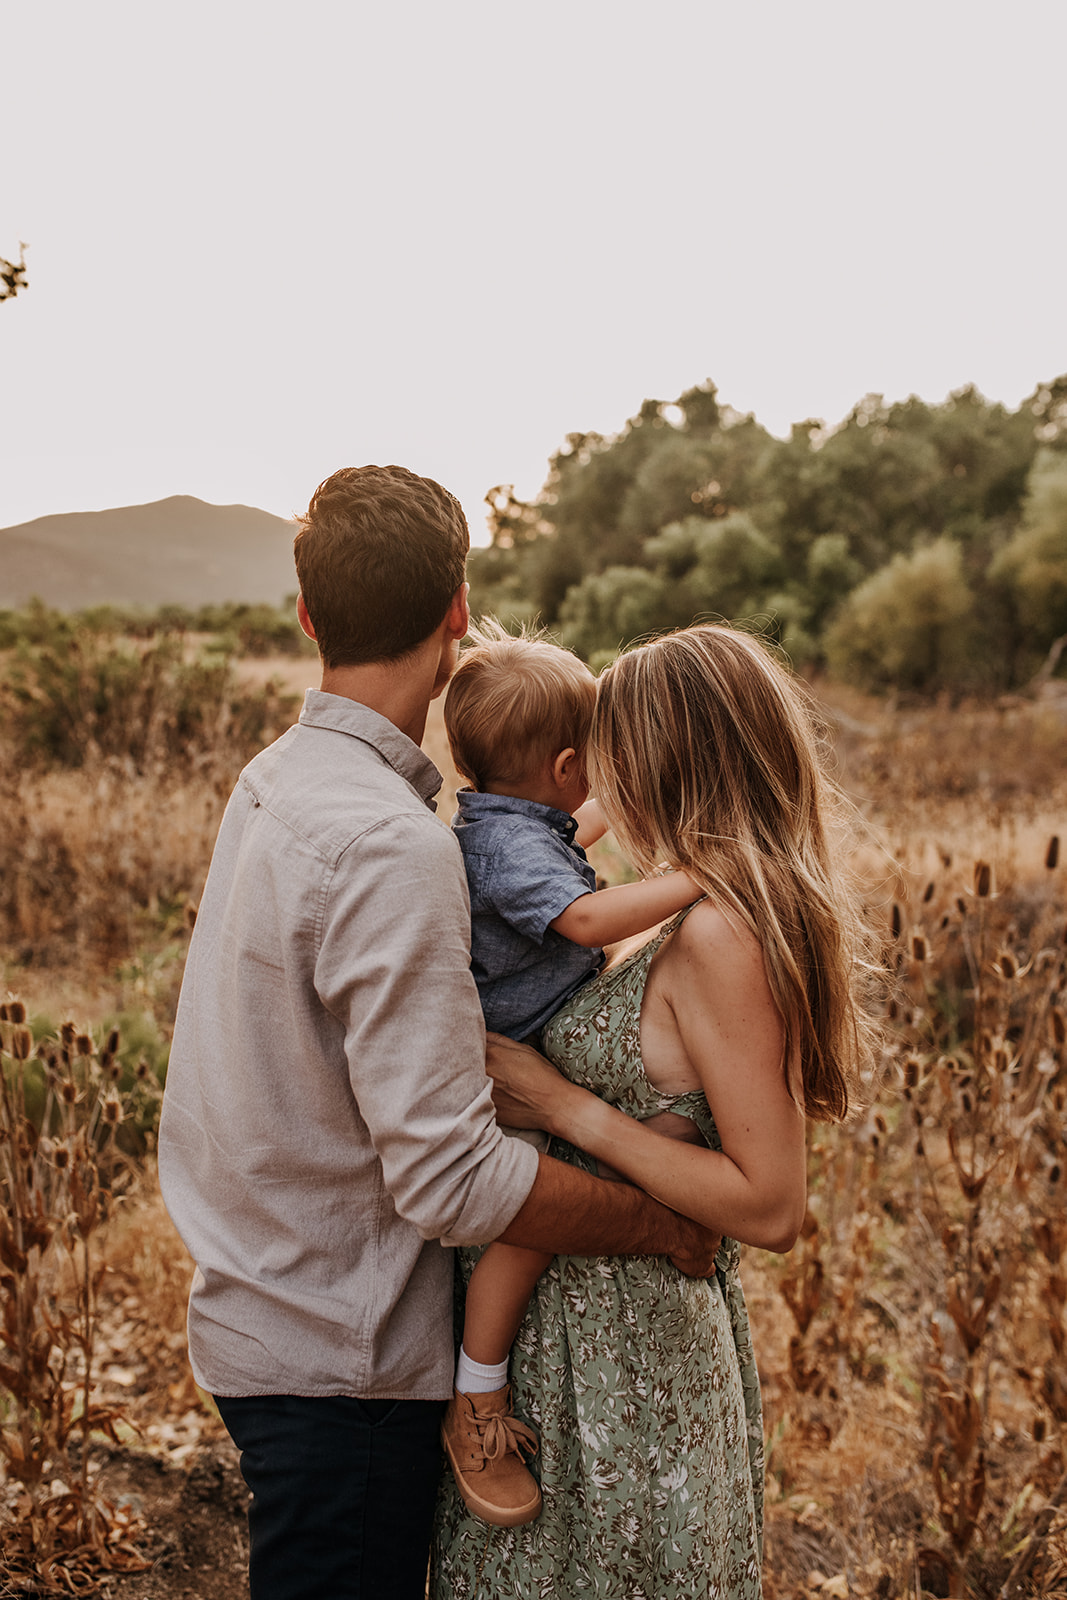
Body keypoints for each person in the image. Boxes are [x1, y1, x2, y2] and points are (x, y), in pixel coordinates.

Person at [157, 465, 721, 1600]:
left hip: (259, 1307)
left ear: (309, 614)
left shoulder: (275, 781)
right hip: (341, 1363)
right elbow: (453, 1181)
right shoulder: (390, 844)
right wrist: (660, 1221)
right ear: (457, 612)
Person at [433, 622, 877, 1599]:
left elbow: (768, 1207)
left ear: (659, 762)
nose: (594, 783)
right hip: (568, 1350)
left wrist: (561, 1105)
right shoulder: (681, 901)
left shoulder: (720, 931)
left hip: (627, 1372)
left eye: (612, 752)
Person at [439, 624, 702, 1526]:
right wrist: (695, 877)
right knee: (529, 1224)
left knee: (652, 1140)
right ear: (562, 763)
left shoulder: (511, 820)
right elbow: (587, 921)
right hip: (512, 1068)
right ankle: (476, 1393)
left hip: (540, 1045)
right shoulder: (507, 852)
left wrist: (630, 802)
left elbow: (579, 828)